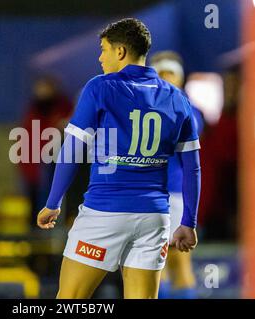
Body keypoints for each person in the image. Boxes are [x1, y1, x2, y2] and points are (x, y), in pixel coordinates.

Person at [36, 18, 201, 299]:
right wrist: (189, 222)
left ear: (121, 51)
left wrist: (53, 203)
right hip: (154, 217)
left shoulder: (100, 88)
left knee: (70, 299)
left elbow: (72, 150)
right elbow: (192, 168)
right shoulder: (178, 98)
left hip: (105, 212)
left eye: (103, 49)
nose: (100, 57)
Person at [150, 51, 204, 299]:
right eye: (160, 75)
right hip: (149, 192)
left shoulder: (189, 111)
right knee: (153, 263)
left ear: (179, 79)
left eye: (169, 75)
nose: (165, 81)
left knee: (175, 261)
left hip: (173, 194)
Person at [19, 76, 73, 229]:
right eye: (39, 88)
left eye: (45, 88)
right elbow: (27, 138)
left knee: (56, 202)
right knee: (34, 205)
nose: (41, 92)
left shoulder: (63, 107)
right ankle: (36, 238)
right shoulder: (33, 109)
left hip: (56, 164)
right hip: (35, 166)